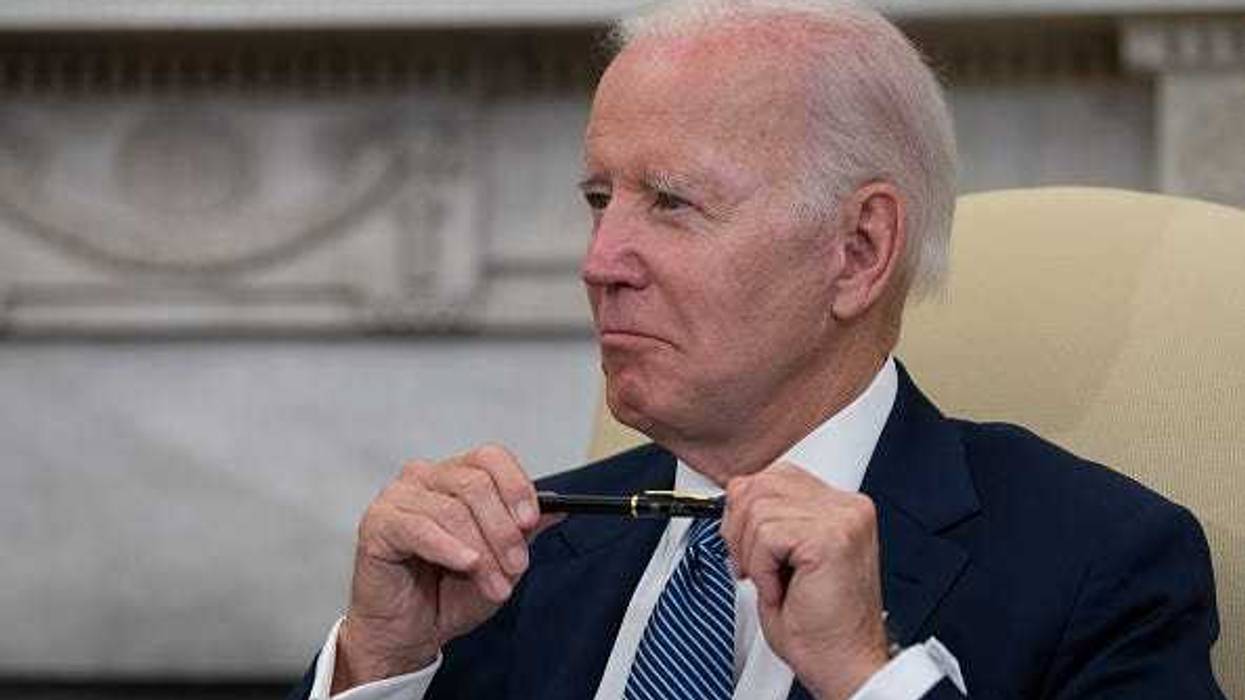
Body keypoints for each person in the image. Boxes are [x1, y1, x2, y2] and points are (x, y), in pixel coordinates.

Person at [287, 1, 1225, 698]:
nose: (600, 262)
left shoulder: (1100, 564)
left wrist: (866, 678)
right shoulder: (517, 565)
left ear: (857, 252)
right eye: (597, 201)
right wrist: (379, 663)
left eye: (672, 203)